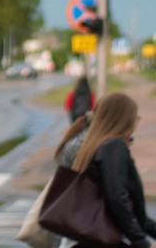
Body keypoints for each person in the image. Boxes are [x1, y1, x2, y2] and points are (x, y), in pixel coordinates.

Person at [66, 92, 156, 247]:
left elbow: (139, 218)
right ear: (124, 119)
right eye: (135, 118)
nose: (135, 124)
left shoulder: (91, 146)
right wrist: (141, 241)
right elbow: (116, 198)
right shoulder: (114, 146)